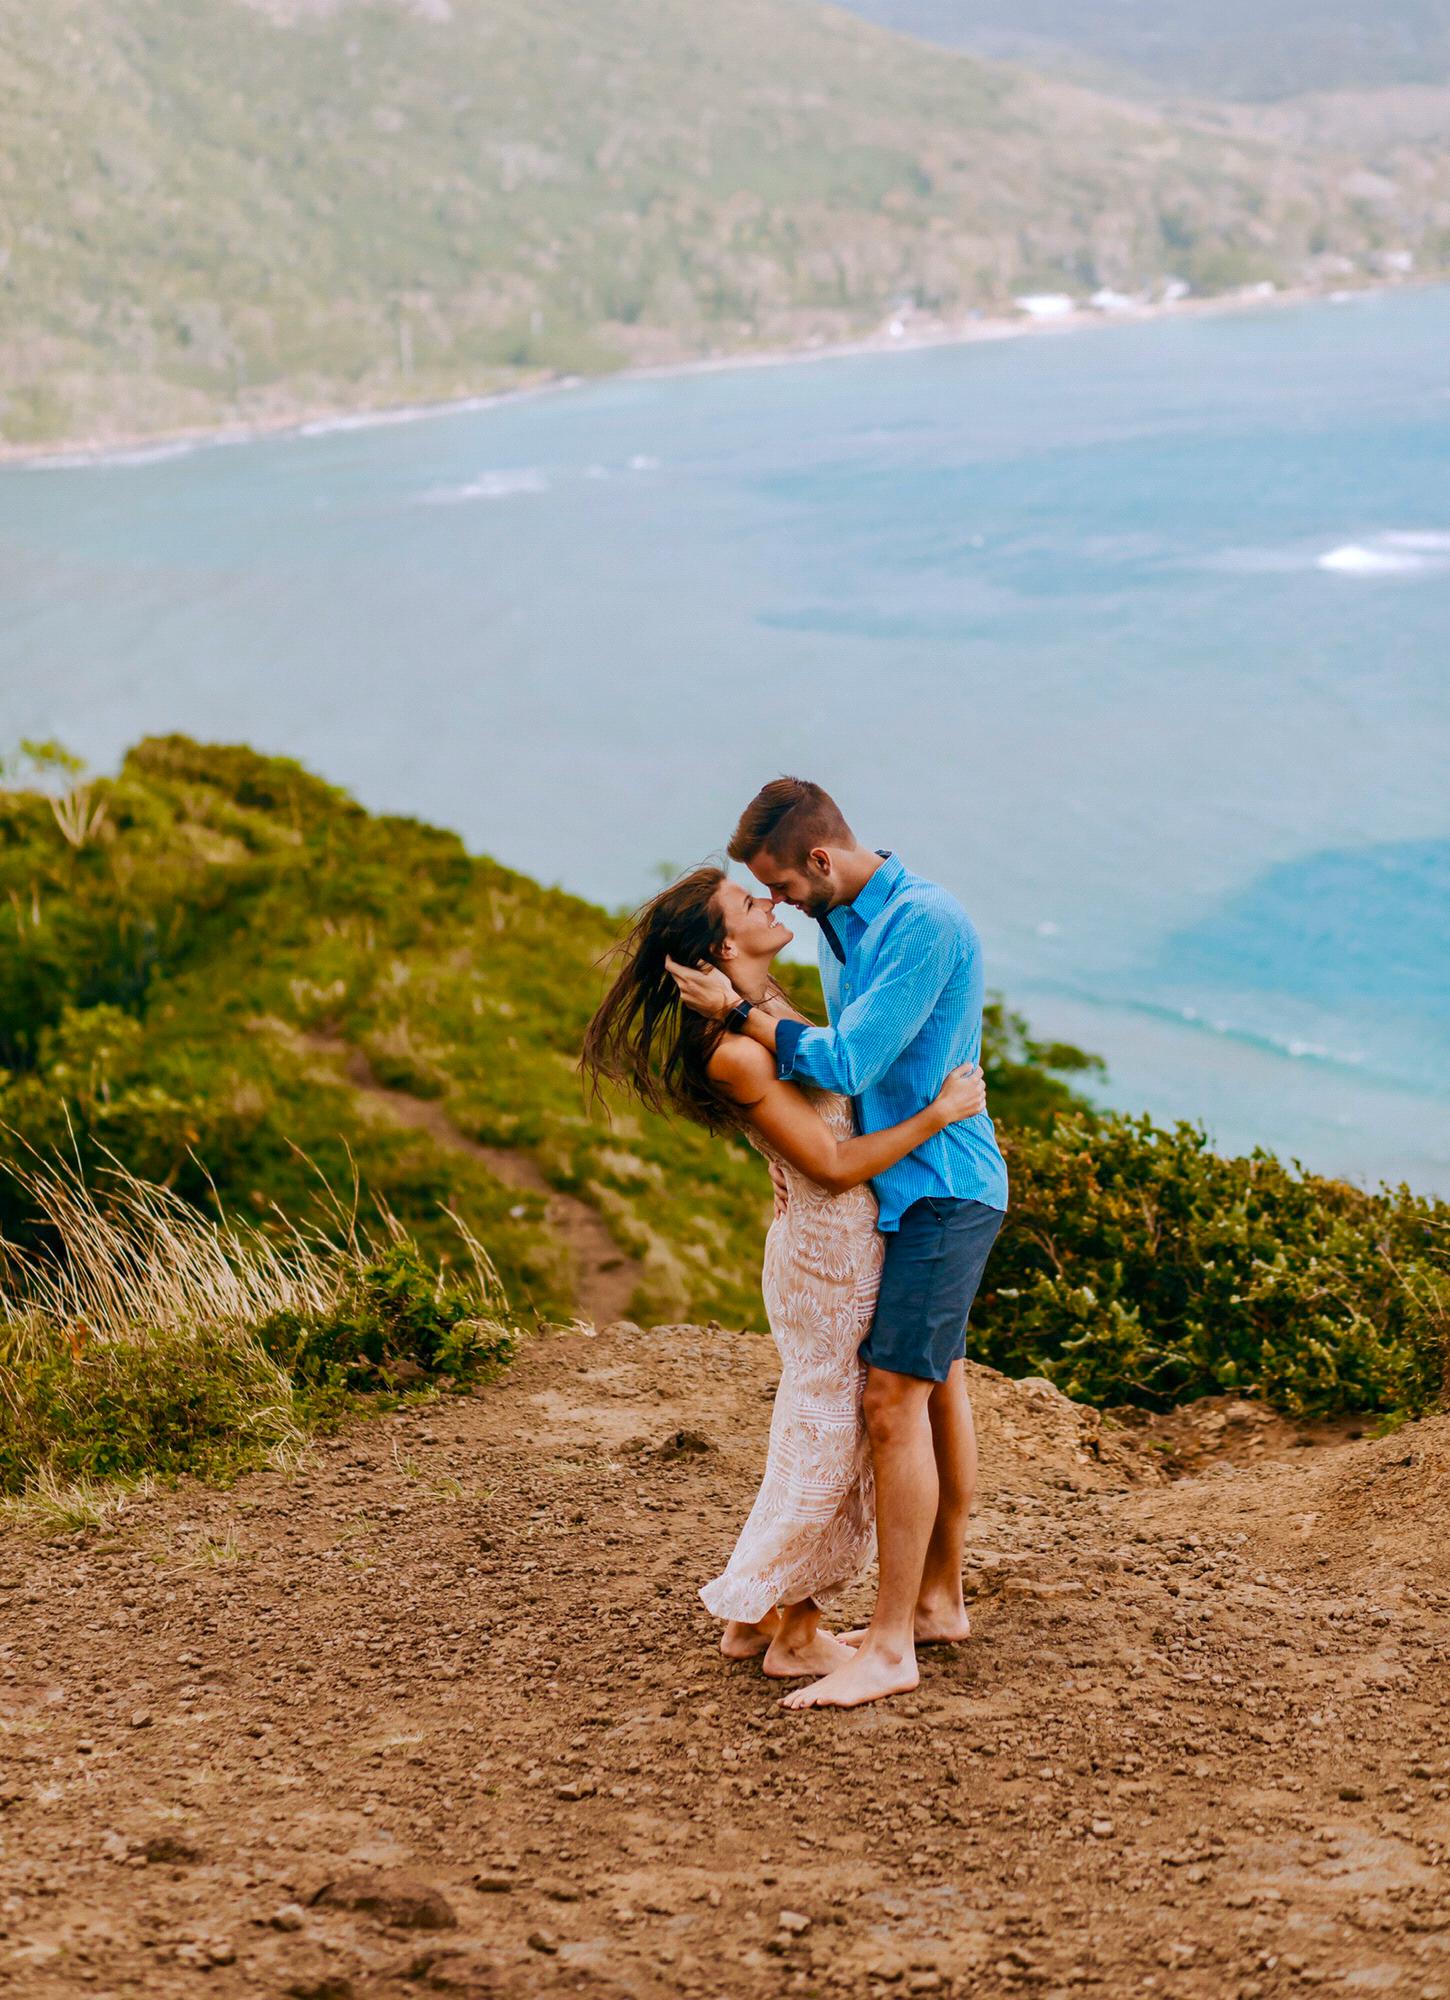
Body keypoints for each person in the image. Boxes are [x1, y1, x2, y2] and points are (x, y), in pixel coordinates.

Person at [580, 866, 987, 1681]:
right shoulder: (735, 1051)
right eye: (747, 900)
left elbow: (835, 1074)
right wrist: (939, 1115)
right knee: (832, 1435)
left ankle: (760, 1616)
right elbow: (834, 1164)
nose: (769, 901)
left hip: (837, 1239)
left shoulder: (761, 1010)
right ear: (725, 944)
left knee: (827, 1427)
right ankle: (792, 1628)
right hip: (830, 1253)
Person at [667, 779, 1008, 1709]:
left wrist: (739, 1012)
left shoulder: (920, 924)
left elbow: (851, 1063)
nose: (777, 901)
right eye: (756, 895)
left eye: (780, 883)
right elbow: (830, 1075)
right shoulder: (844, 924)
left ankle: (895, 1640)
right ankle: (931, 1603)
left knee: (898, 1399)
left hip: (940, 1189)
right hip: (890, 1198)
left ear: (821, 859)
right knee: (933, 1389)